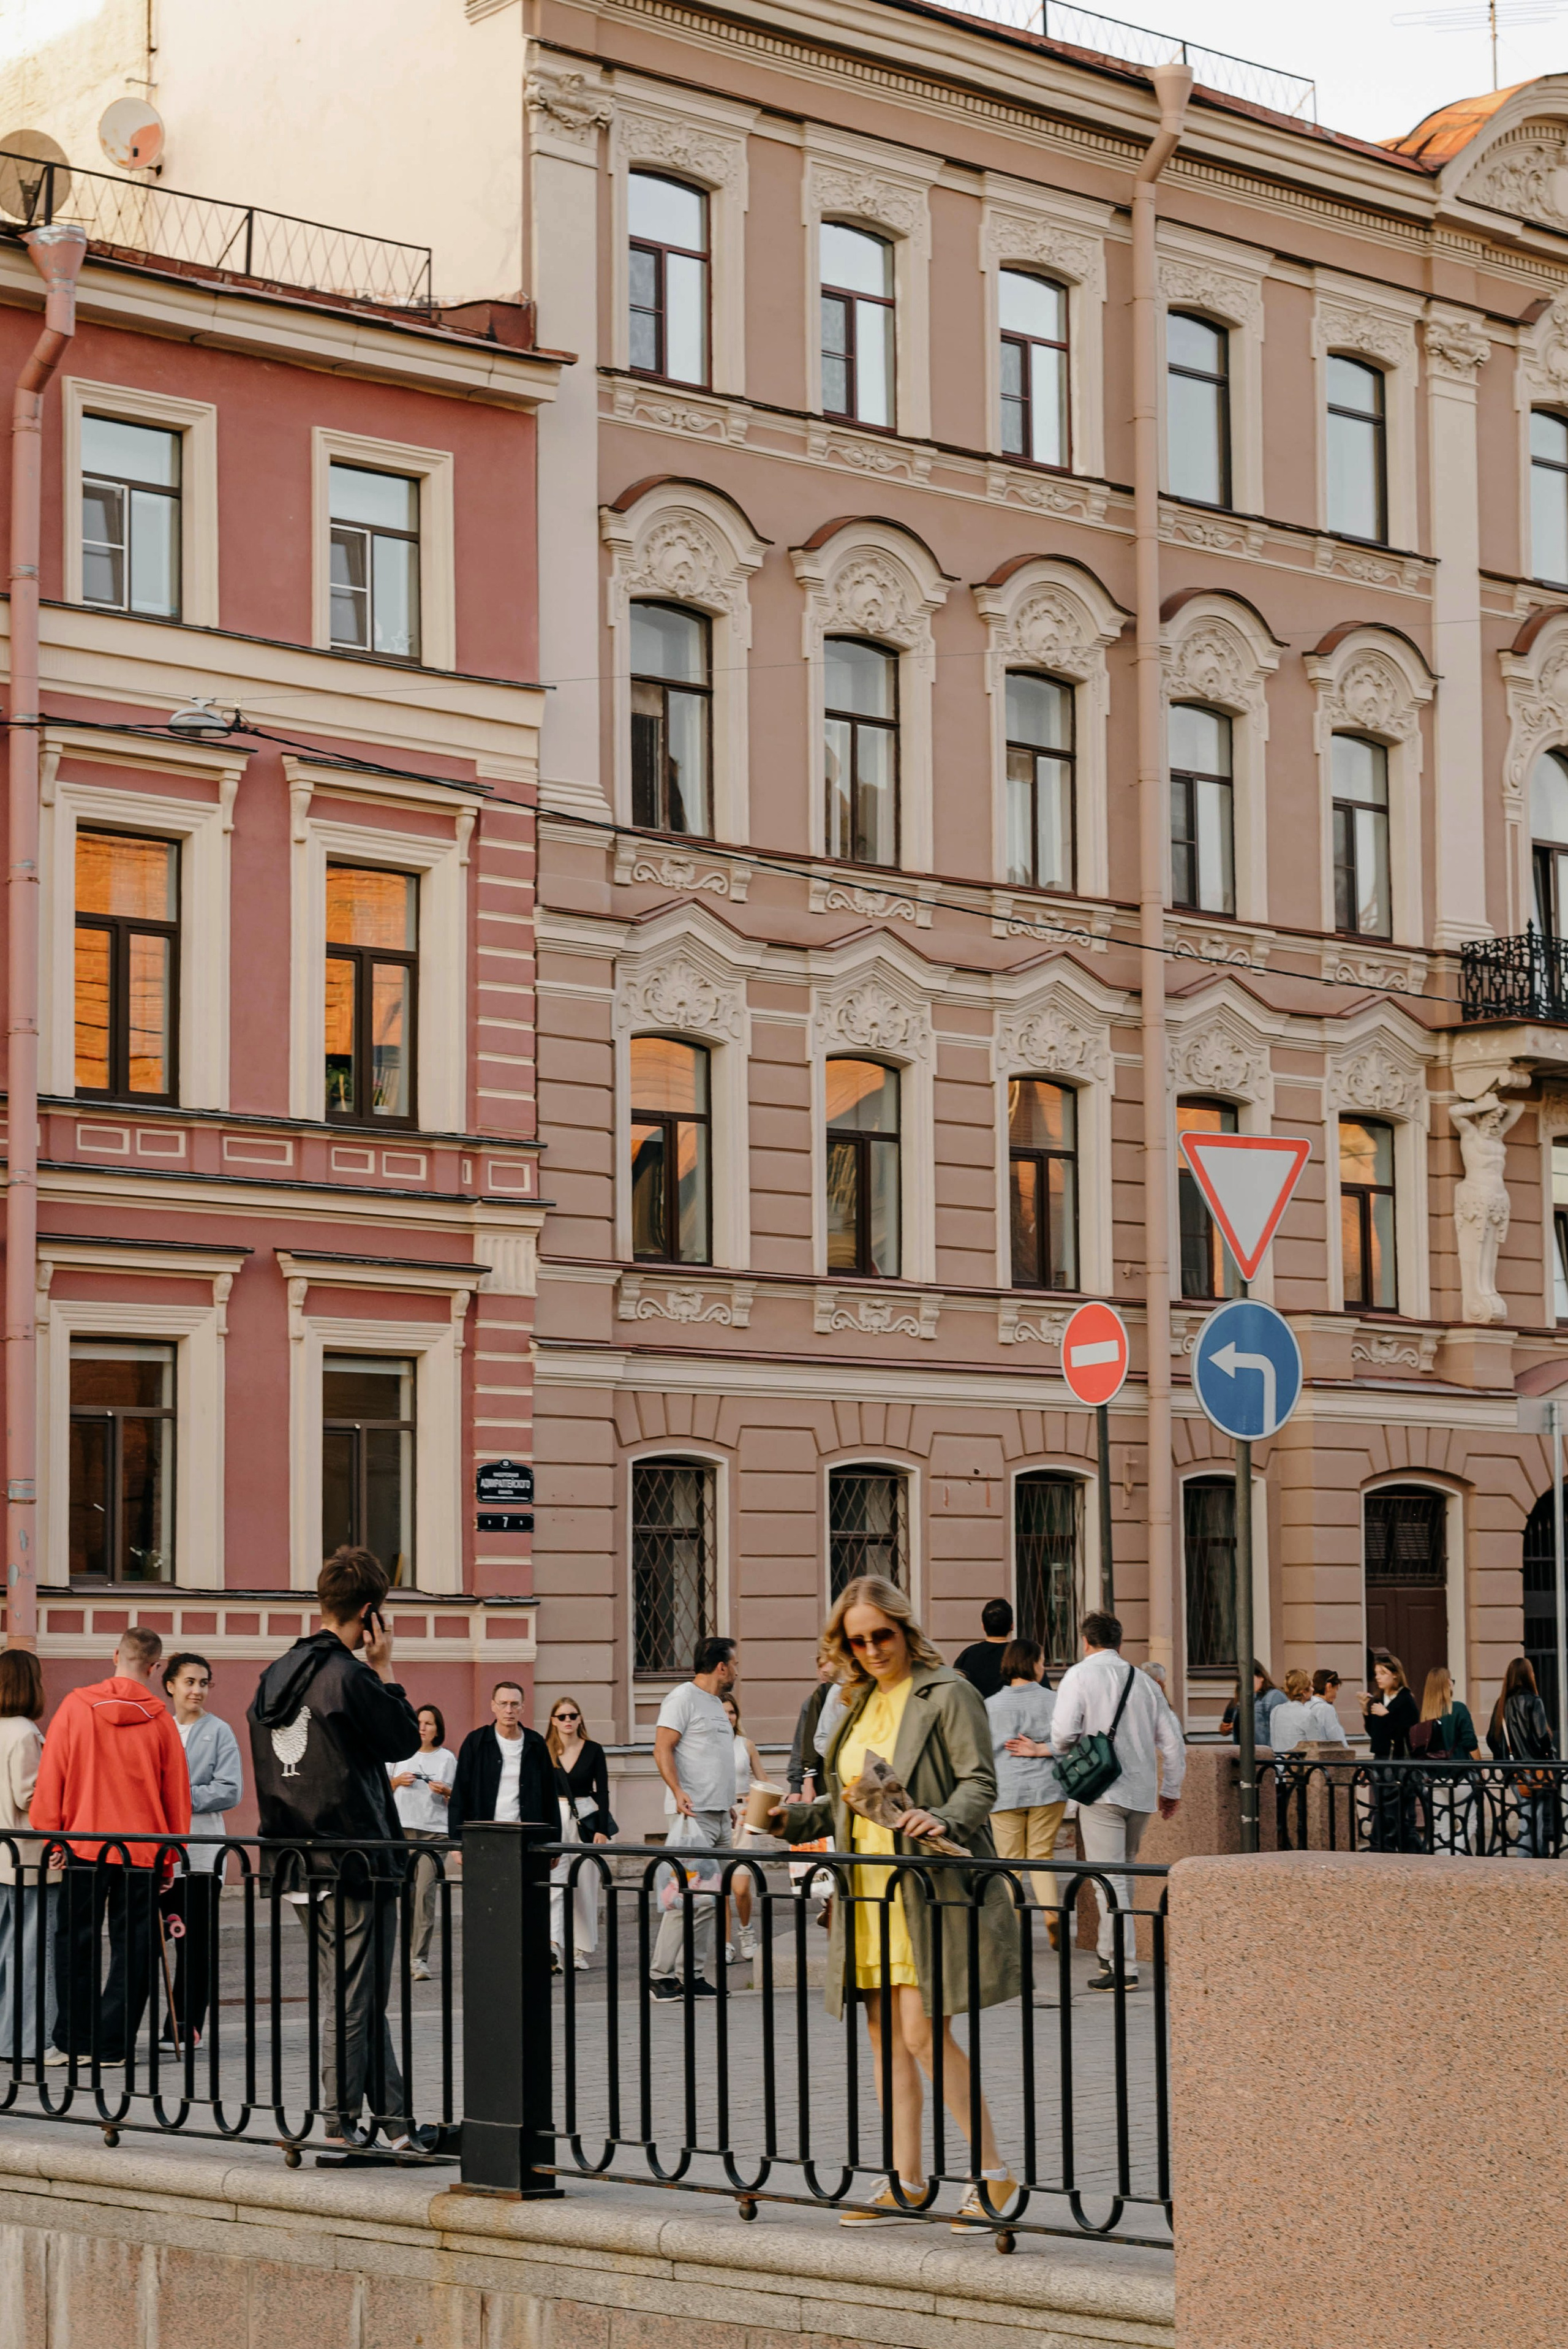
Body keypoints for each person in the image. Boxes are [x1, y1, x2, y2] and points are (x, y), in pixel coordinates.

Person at [774, 1576, 1020, 2232]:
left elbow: (980, 1784)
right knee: (885, 2037)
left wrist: (940, 1819)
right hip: (866, 1891)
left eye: (881, 1635)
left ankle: (994, 2177)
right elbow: (848, 1798)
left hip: (922, 1889)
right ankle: (905, 2181)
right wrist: (787, 1820)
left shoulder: (948, 1693)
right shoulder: (854, 1702)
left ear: (905, 1629)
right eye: (857, 1641)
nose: (872, 1649)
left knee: (922, 2033)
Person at [248, 1548, 421, 2148]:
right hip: (356, 1860)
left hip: (294, 1856)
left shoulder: (274, 1675)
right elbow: (403, 1739)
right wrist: (386, 1664)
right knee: (354, 1994)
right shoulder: (351, 1677)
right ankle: (340, 2121)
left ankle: (396, 2125)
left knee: (355, 1990)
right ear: (370, 1614)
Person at [32, 1625, 190, 2065]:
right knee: (135, 1946)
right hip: (142, 1847)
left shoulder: (76, 1708)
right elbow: (175, 1793)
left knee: (74, 1941)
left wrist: (53, 1835)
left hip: (83, 1842)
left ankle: (73, 2040)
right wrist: (170, 1857)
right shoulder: (160, 1719)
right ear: (156, 1668)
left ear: (114, 1656)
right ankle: (114, 2044)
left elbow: (53, 1776)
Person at [1052, 1611, 1184, 1992]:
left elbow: (1062, 1735)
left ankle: (1123, 1968)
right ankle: (1109, 1954)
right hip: (1141, 1794)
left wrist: (1075, 1743)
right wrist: (1171, 1791)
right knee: (1121, 1875)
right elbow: (1173, 1743)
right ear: (1120, 1642)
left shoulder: (1078, 1675)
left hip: (1101, 1790)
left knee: (1110, 1881)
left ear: (1085, 1641)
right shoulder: (1144, 1682)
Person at [161, 1651, 244, 2046]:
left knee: (194, 1944)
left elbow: (230, 1789)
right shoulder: (155, 1727)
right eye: (190, 1682)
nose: (197, 1690)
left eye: (204, 1683)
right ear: (170, 1685)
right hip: (158, 1855)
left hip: (202, 1855)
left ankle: (184, 2024)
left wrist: (178, 1796)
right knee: (152, 1941)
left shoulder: (219, 1731)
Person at [650, 1636, 739, 2000]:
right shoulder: (682, 1698)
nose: (737, 1671)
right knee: (685, 1897)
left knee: (709, 1899)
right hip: (694, 1817)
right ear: (721, 1666)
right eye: (735, 1664)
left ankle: (694, 1974)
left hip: (719, 1815)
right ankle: (661, 1975)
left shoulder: (716, 1705)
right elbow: (662, 1748)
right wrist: (677, 1791)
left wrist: (727, 1801)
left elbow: (714, 1757)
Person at [986, 1638, 1067, 1945]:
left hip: (1006, 1791)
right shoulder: (1055, 1701)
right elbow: (1069, 1740)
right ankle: (1051, 1915)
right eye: (1042, 1661)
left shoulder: (990, 1705)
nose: (1043, 1666)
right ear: (1032, 1664)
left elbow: (984, 1751)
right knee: (1042, 1856)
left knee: (1011, 1861)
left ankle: (1011, 1932)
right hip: (1047, 1788)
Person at [0, 1650, 53, 2067]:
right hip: (30, 1858)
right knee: (32, 1955)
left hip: (2, 1856)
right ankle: (26, 2042)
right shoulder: (24, 1733)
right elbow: (33, 1798)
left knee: (6, 1953)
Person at [386, 1704, 456, 1981]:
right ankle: (403, 1953)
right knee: (406, 1895)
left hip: (434, 1834)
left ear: (438, 1730)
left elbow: (458, 1797)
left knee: (425, 1895)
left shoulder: (447, 1759)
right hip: (401, 1832)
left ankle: (419, 1959)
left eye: (429, 1723)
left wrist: (445, 1790)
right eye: (419, 1722)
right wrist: (396, 1782)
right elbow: (378, 1786)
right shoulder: (397, 1753)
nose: (423, 1727)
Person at [545, 1695, 614, 1972]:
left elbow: (604, 1790)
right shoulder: (546, 1750)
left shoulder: (594, 1750)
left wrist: (602, 1830)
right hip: (555, 1817)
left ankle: (579, 1949)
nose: (568, 1721)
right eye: (562, 1717)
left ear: (580, 1718)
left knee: (585, 1885)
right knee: (556, 1885)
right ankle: (553, 1946)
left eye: (573, 1715)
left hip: (586, 1817)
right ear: (553, 1721)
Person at [447, 1681, 557, 1841]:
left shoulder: (536, 1743)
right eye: (503, 1704)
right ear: (493, 1706)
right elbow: (460, 1793)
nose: (509, 1710)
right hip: (483, 1834)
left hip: (527, 1834)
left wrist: (553, 1842)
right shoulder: (477, 1741)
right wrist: (457, 1840)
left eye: (514, 1704)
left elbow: (549, 1795)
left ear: (522, 1708)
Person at [1488, 1655, 1558, 1856]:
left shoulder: (1501, 1704)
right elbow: (1542, 1737)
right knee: (1533, 1817)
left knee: (1528, 1813)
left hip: (1513, 1772)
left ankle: (1532, 1857)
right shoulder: (1533, 1701)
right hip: (1536, 1770)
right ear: (1528, 1676)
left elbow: (1492, 1739)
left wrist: (1505, 1761)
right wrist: (1546, 1755)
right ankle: (1528, 1860)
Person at [1358, 1651, 1420, 1853]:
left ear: (1395, 1674)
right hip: (1382, 1758)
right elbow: (1375, 1734)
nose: (1378, 1677)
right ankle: (1383, 1846)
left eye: (1383, 1673)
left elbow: (1407, 1731)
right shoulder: (1378, 1699)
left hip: (1399, 1761)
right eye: (1376, 1673)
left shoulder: (1405, 1699)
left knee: (1397, 1810)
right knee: (1383, 1808)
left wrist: (1387, 1715)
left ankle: (1405, 1850)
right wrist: (1367, 1713)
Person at [722, 1693, 766, 1963]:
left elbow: (763, 1780)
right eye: (723, 1712)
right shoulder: (707, 1745)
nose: (728, 1718)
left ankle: (746, 1931)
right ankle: (725, 1942)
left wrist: (759, 1803)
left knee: (740, 1889)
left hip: (743, 1817)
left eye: (732, 1712)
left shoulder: (745, 1745)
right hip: (718, 1819)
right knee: (721, 1888)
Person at [786, 1651, 838, 1800]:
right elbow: (802, 1745)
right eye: (824, 1671)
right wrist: (796, 1787)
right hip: (820, 1780)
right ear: (819, 1672)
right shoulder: (814, 1701)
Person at [954, 1599, 1015, 1702]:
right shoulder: (1020, 1655)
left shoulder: (968, 1655)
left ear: (983, 1626)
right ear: (1012, 1626)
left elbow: (956, 1689)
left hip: (976, 1715)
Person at [1219, 1663, 1286, 1749]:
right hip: (1243, 1755)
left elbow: (1284, 1729)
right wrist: (1226, 1728)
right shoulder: (1238, 1701)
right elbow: (1224, 1728)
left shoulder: (1274, 1697)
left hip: (1266, 1755)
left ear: (1261, 1677)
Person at [1265, 1670, 1316, 1755]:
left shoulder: (1276, 1710)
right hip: (1298, 1764)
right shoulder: (1307, 1714)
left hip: (1279, 1763)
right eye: (1311, 1686)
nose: (1313, 1689)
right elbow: (1316, 1744)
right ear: (1303, 1692)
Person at [1303, 1670, 1348, 1742]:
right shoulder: (1326, 1709)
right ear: (1329, 1687)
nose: (1336, 1696)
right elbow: (1337, 1739)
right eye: (1336, 1689)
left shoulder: (1305, 1705)